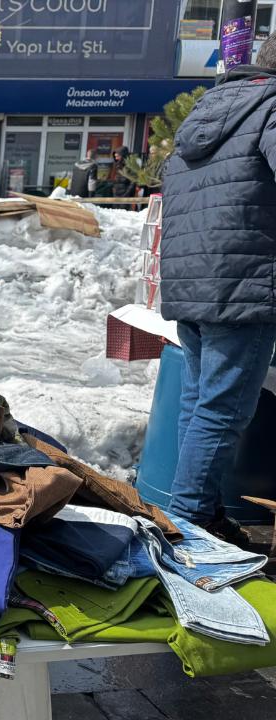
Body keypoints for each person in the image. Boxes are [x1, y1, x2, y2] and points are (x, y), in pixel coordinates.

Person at [159, 38, 276, 543]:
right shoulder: (272, 108)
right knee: (222, 412)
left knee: (200, 405)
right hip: (242, 282)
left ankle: (197, 513)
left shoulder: (208, 112)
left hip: (195, 279)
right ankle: (188, 527)